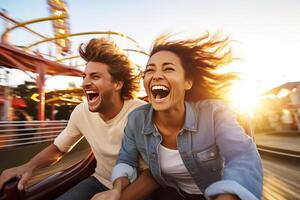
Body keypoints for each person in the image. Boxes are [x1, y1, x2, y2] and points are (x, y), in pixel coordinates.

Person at [106, 33, 263, 200]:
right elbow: (126, 161)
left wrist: (229, 196)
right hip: (170, 191)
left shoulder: (214, 113)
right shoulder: (136, 119)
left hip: (213, 194)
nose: (156, 75)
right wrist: (116, 189)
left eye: (168, 68)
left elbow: (242, 156)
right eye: (150, 70)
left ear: (187, 82)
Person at [0, 38, 155, 200]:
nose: (85, 83)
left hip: (138, 190)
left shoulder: (141, 114)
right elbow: (59, 148)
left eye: (95, 77)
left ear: (117, 84)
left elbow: (153, 174)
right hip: (99, 181)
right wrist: (28, 167)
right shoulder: (81, 112)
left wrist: (118, 197)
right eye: (84, 76)